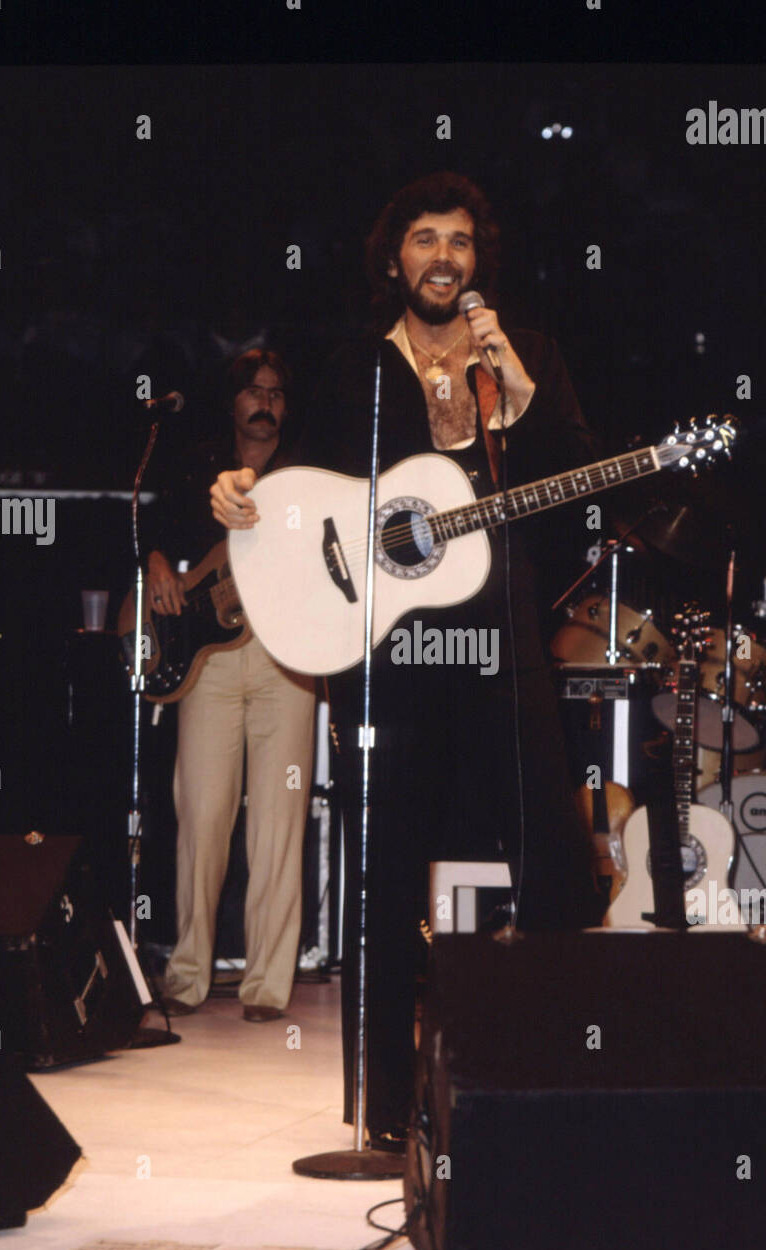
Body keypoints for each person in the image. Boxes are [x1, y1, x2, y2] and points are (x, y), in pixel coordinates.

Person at [211, 174, 600, 1136]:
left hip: (500, 637)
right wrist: (239, 494)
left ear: (477, 261)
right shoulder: (354, 369)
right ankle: (385, 1111)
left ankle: (565, 1080)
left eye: (458, 242)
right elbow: (293, 494)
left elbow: (584, 496)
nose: (441, 257)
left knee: (549, 852)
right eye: (423, 239)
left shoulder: (525, 358)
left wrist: (518, 398)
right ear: (396, 260)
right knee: (385, 872)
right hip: (388, 644)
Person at [150, 349, 315, 1022]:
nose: (266, 401)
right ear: (233, 402)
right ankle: (187, 974)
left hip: (287, 660)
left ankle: (267, 984)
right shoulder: (193, 467)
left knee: (279, 824)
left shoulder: (305, 473)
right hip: (210, 663)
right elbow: (151, 527)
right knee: (201, 816)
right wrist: (156, 558)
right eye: (254, 390)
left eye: (276, 391)